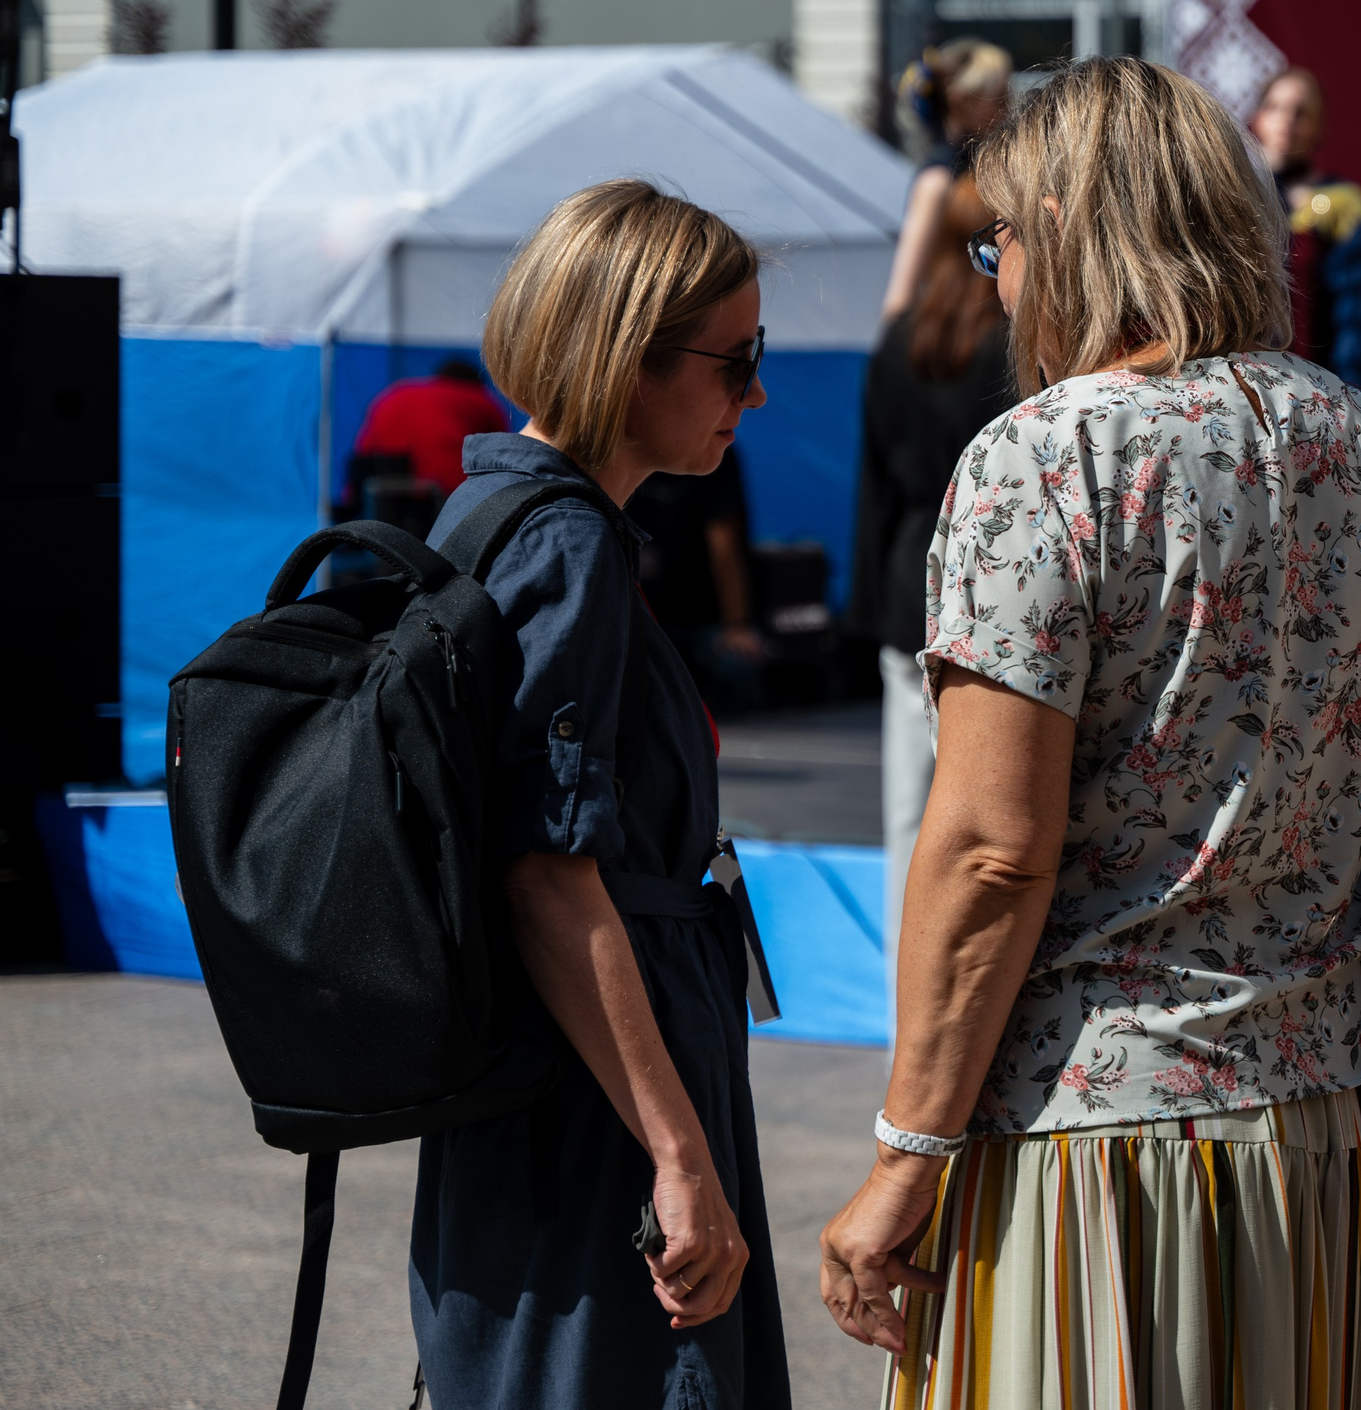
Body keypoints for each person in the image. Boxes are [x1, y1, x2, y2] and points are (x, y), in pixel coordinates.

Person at [817, 57, 1361, 1410]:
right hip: (1340, 1113)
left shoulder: (1048, 455)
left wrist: (904, 1154)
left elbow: (988, 850)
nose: (997, 276)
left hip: (1104, 1132)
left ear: (1078, 234)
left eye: (1006, 238)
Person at [411, 180, 790, 1408]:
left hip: (550, 1083)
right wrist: (679, 1157)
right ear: (631, 357)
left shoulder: (493, 510)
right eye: (736, 360)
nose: (757, 392)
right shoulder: (561, 543)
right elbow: (545, 871)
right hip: (596, 1107)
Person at [846, 153, 1014, 1038]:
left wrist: (862, 604)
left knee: (908, 816)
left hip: (904, 584)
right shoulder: (1018, 345)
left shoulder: (898, 339)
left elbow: (871, 487)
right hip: (991, 593)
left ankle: (904, 999)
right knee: (990, 813)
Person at [1252, 67, 1361, 421]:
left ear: (1319, 126)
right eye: (1275, 107)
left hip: (1324, 388)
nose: (1287, 120)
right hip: (1250, 383)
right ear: (1257, 117)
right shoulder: (1232, 196)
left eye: (1301, 111)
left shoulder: (1343, 204)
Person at [631, 447, 767, 719]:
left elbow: (724, 542)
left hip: (701, 622)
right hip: (638, 621)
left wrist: (736, 625)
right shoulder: (620, 451)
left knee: (736, 663)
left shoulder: (714, 449)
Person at [882, 39, 1012, 319]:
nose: (1009, 105)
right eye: (999, 96)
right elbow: (902, 293)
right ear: (961, 100)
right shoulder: (937, 181)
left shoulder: (986, 169)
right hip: (956, 332)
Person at [349, 356, 509, 497]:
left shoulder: (396, 391)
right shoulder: (481, 399)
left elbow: (362, 455)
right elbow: (503, 458)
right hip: (448, 492)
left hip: (381, 495)